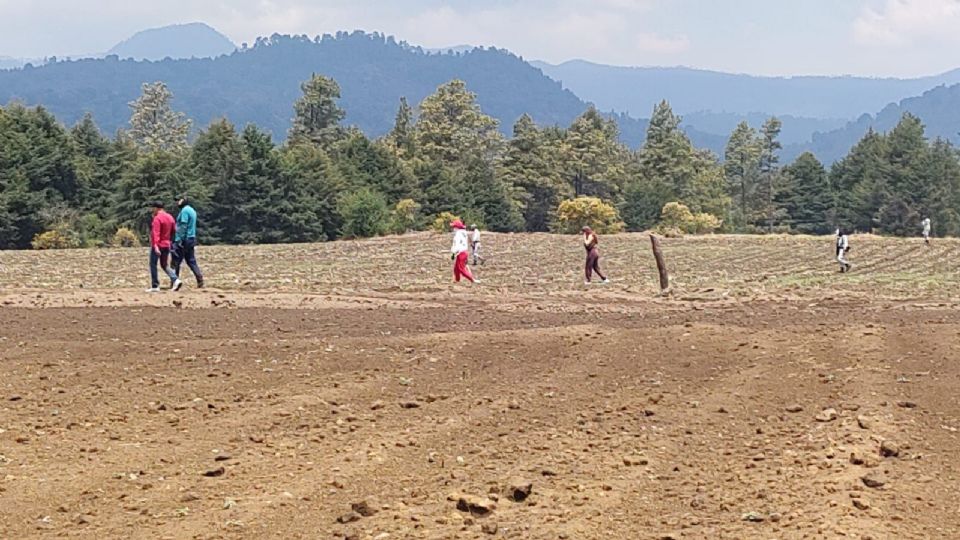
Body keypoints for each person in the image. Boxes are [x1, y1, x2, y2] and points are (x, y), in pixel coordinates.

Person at [147, 201, 182, 292]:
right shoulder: (170, 217)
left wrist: (156, 246)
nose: (152, 210)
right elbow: (174, 230)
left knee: (153, 264)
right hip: (167, 244)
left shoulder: (157, 218)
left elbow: (156, 233)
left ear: (156, 208)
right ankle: (176, 279)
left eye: (153, 208)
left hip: (159, 244)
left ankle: (155, 285)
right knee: (164, 264)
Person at [172, 196, 205, 288]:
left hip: (184, 239)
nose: (177, 202)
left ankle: (175, 281)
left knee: (176, 260)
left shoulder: (184, 211)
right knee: (191, 260)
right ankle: (199, 279)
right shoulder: (192, 210)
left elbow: (183, 226)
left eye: (179, 200)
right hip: (191, 238)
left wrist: (179, 240)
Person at [450, 219, 477, 284]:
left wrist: (453, 253)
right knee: (456, 268)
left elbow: (456, 244)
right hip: (464, 251)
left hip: (461, 252)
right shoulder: (464, 233)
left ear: (457, 227)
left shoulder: (458, 234)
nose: (453, 228)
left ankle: (472, 279)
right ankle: (457, 280)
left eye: (454, 227)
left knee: (461, 268)